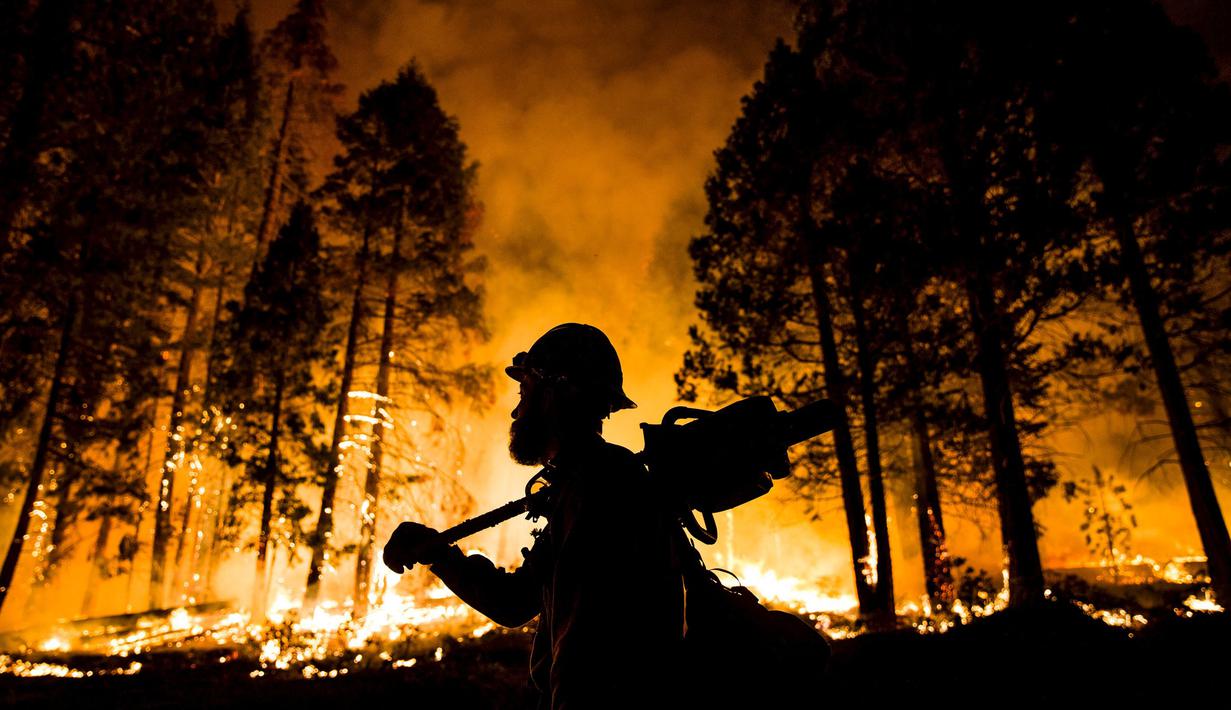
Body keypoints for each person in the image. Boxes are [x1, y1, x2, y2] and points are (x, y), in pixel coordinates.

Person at [383, 323, 685, 709]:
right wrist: (440, 554)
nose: (517, 410)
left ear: (557, 395)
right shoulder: (590, 481)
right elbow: (515, 601)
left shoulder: (597, 489)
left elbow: (586, 655)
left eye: (525, 392)